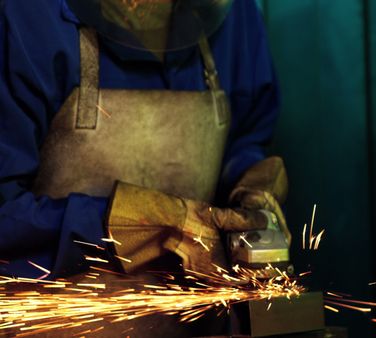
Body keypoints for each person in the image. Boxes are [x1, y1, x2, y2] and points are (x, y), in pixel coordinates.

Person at [0, 0, 290, 284]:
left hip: (201, 317)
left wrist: (248, 186)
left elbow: (243, 137)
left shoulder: (232, 13)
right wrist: (118, 225)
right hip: (57, 318)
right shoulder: (26, 18)